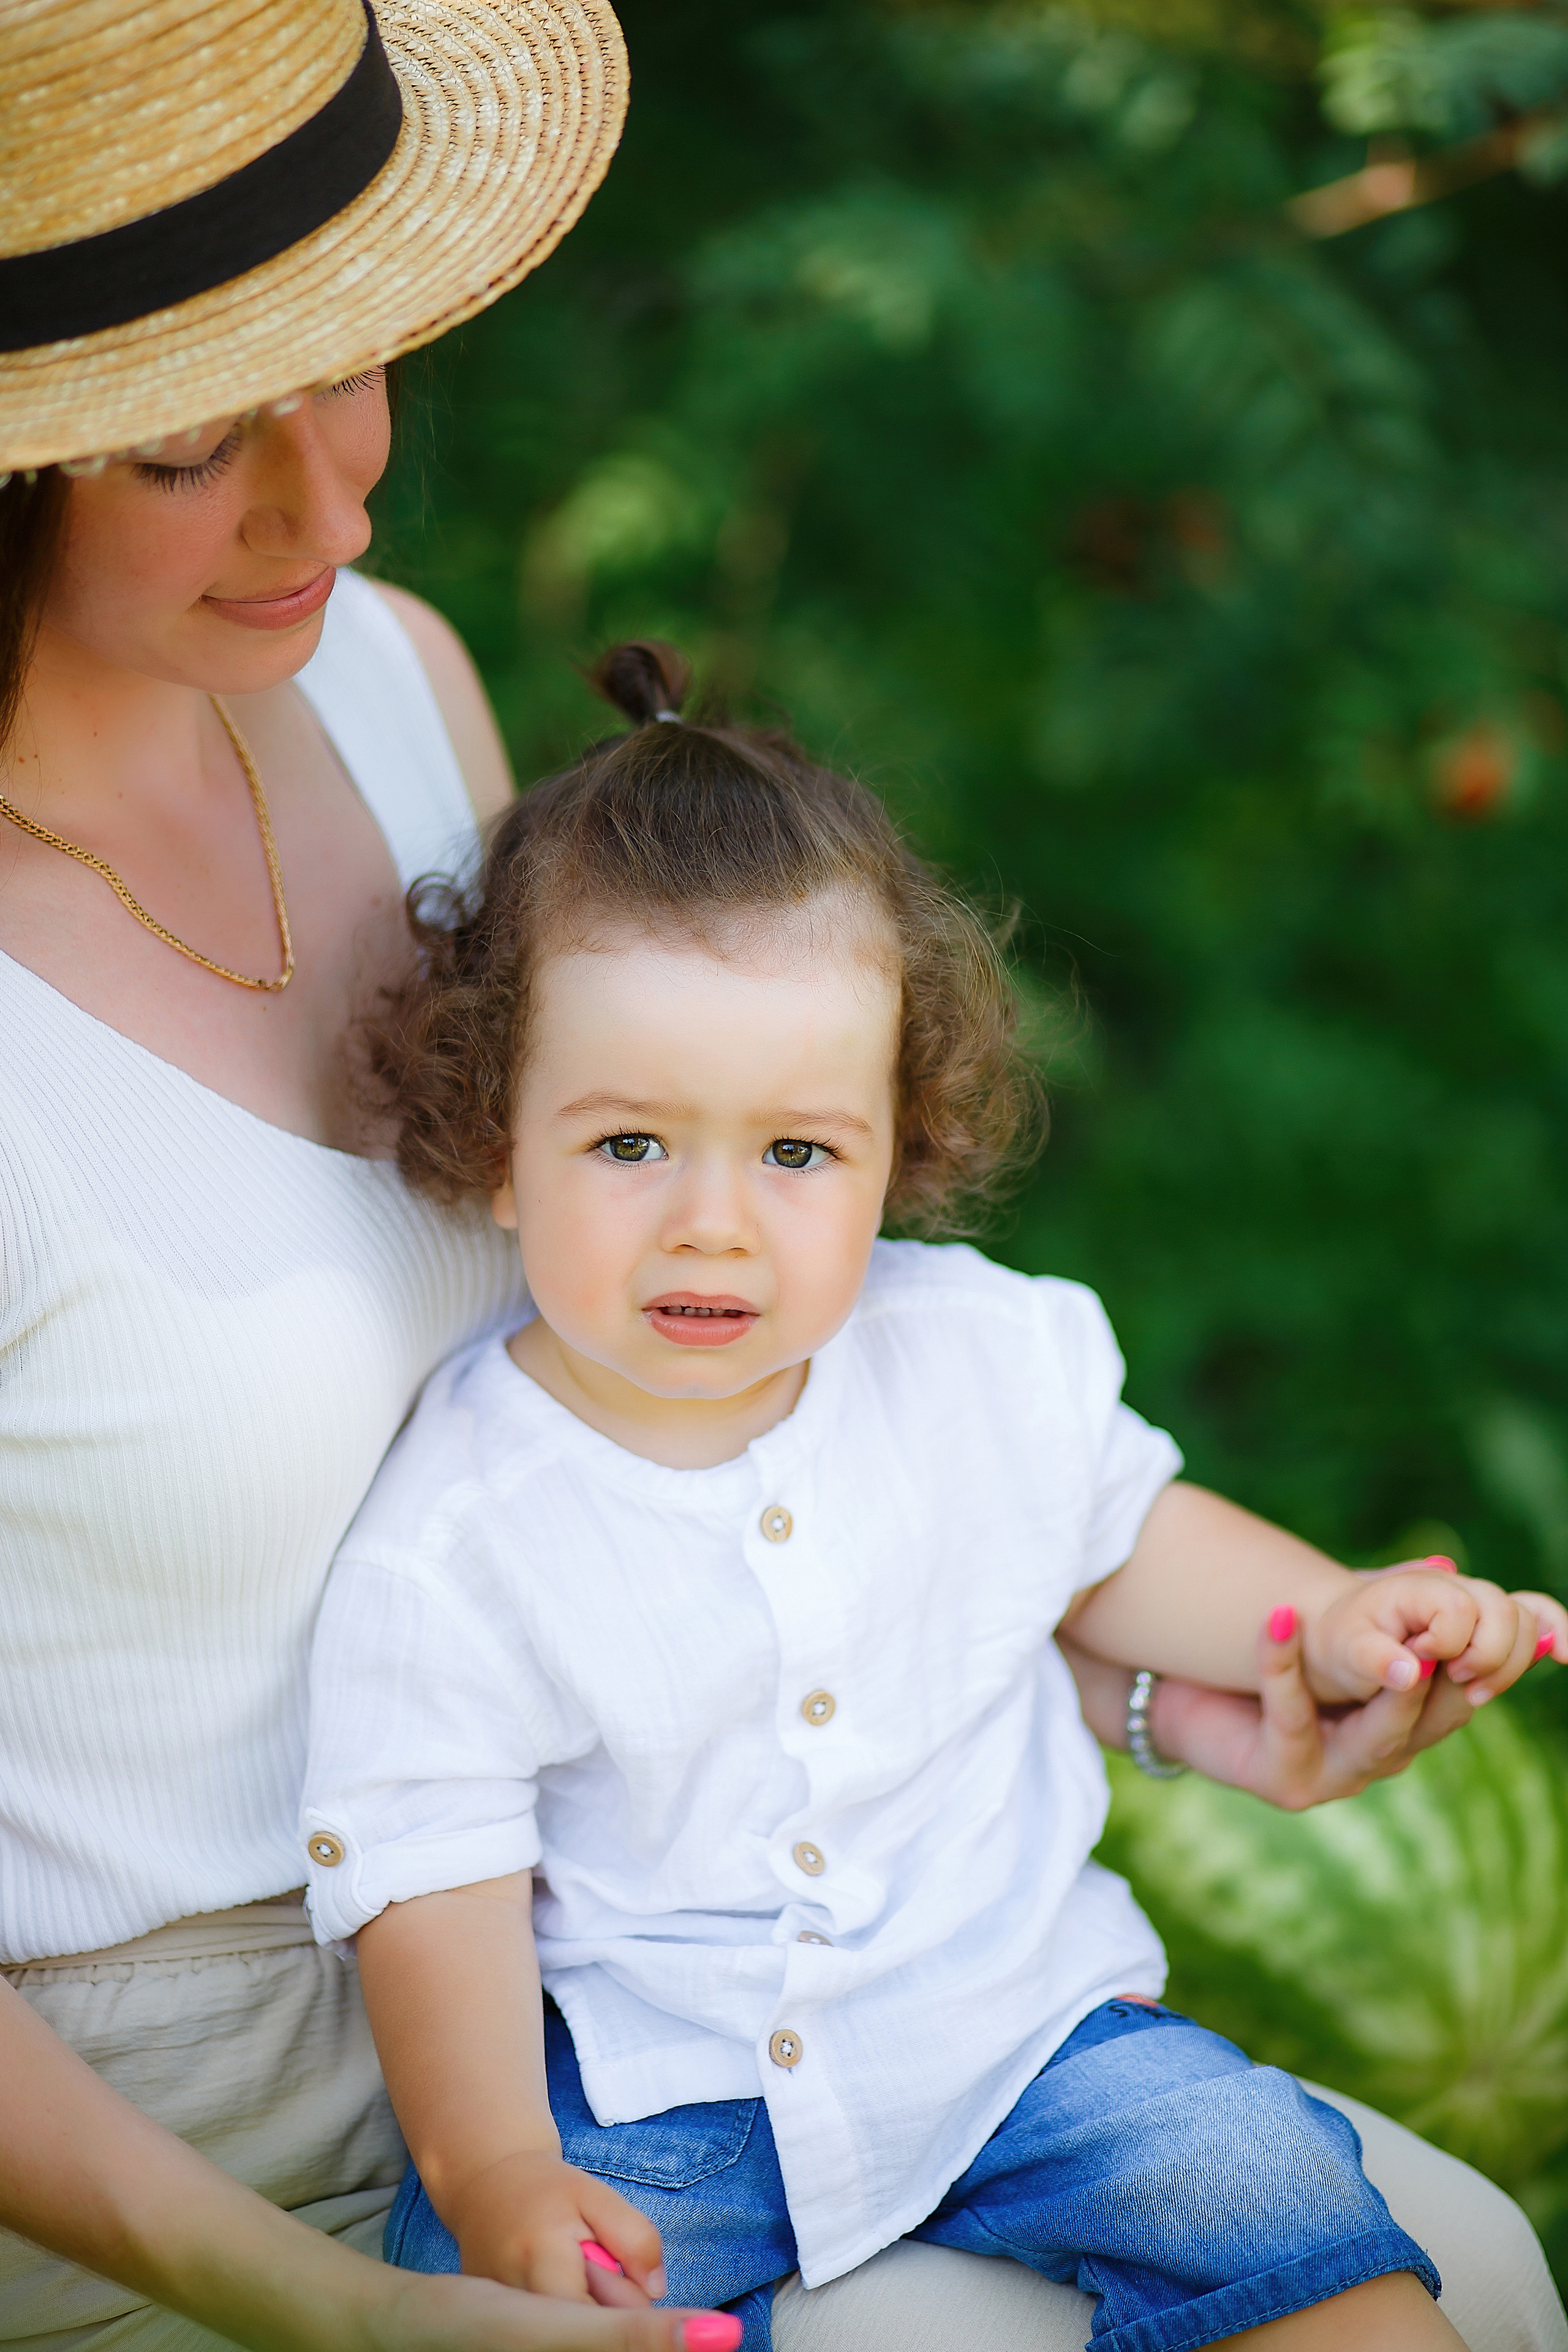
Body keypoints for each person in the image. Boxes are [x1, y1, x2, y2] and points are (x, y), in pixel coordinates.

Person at [0, 6, 1553, 2350]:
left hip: (682, 1953)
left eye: (354, 363)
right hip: (201, 2146)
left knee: (1469, 2266)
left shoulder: (386, 680)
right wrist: (348, 2296)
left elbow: (749, 1439)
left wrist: (1188, 1691)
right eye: (198, 440)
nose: (336, 504)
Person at [300, 643, 1568, 2352]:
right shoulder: (458, 1533)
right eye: (628, 1147)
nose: (715, 1224)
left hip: (1027, 2036)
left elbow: (1126, 1540)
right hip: (661, 2101)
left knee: (1282, 2207)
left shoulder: (978, 1358)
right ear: (496, 1141)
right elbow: (430, 1878)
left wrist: (1330, 1614)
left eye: (797, 1153)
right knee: (519, 2301)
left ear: (896, 1148)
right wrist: (498, 2163)